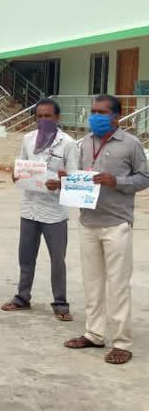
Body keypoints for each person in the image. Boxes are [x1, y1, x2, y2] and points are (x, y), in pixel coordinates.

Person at [63, 94, 149, 365]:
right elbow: (80, 174)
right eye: (93, 111)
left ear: (116, 117)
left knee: (118, 285)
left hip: (116, 223)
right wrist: (70, 181)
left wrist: (117, 181)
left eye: (101, 112)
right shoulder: (84, 143)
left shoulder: (131, 143)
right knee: (93, 282)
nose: (95, 117)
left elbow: (144, 177)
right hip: (88, 222)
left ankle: (122, 342)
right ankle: (94, 333)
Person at [1, 98, 78, 321]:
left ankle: (61, 303)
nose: (43, 120)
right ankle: (22, 297)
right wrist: (16, 176)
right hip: (30, 208)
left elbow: (74, 177)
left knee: (57, 259)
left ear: (57, 118)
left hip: (55, 212)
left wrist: (61, 184)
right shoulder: (28, 139)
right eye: (39, 116)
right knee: (26, 256)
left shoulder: (68, 143)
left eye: (48, 116)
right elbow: (23, 166)